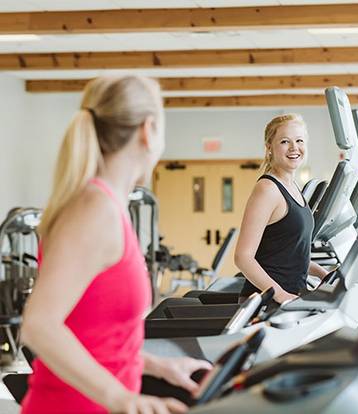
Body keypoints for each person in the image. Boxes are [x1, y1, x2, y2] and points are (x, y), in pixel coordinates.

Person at [20, 76, 210, 414]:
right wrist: (120, 398)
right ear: (148, 130)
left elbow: (98, 339)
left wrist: (161, 367)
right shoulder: (96, 209)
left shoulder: (107, 206)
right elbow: (39, 325)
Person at [234, 113, 329, 304]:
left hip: (291, 297)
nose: (294, 148)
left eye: (299, 140)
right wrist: (280, 295)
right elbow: (243, 257)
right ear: (270, 148)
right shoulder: (268, 189)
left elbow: (287, 253)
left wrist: (322, 273)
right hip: (266, 302)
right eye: (285, 141)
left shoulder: (293, 187)